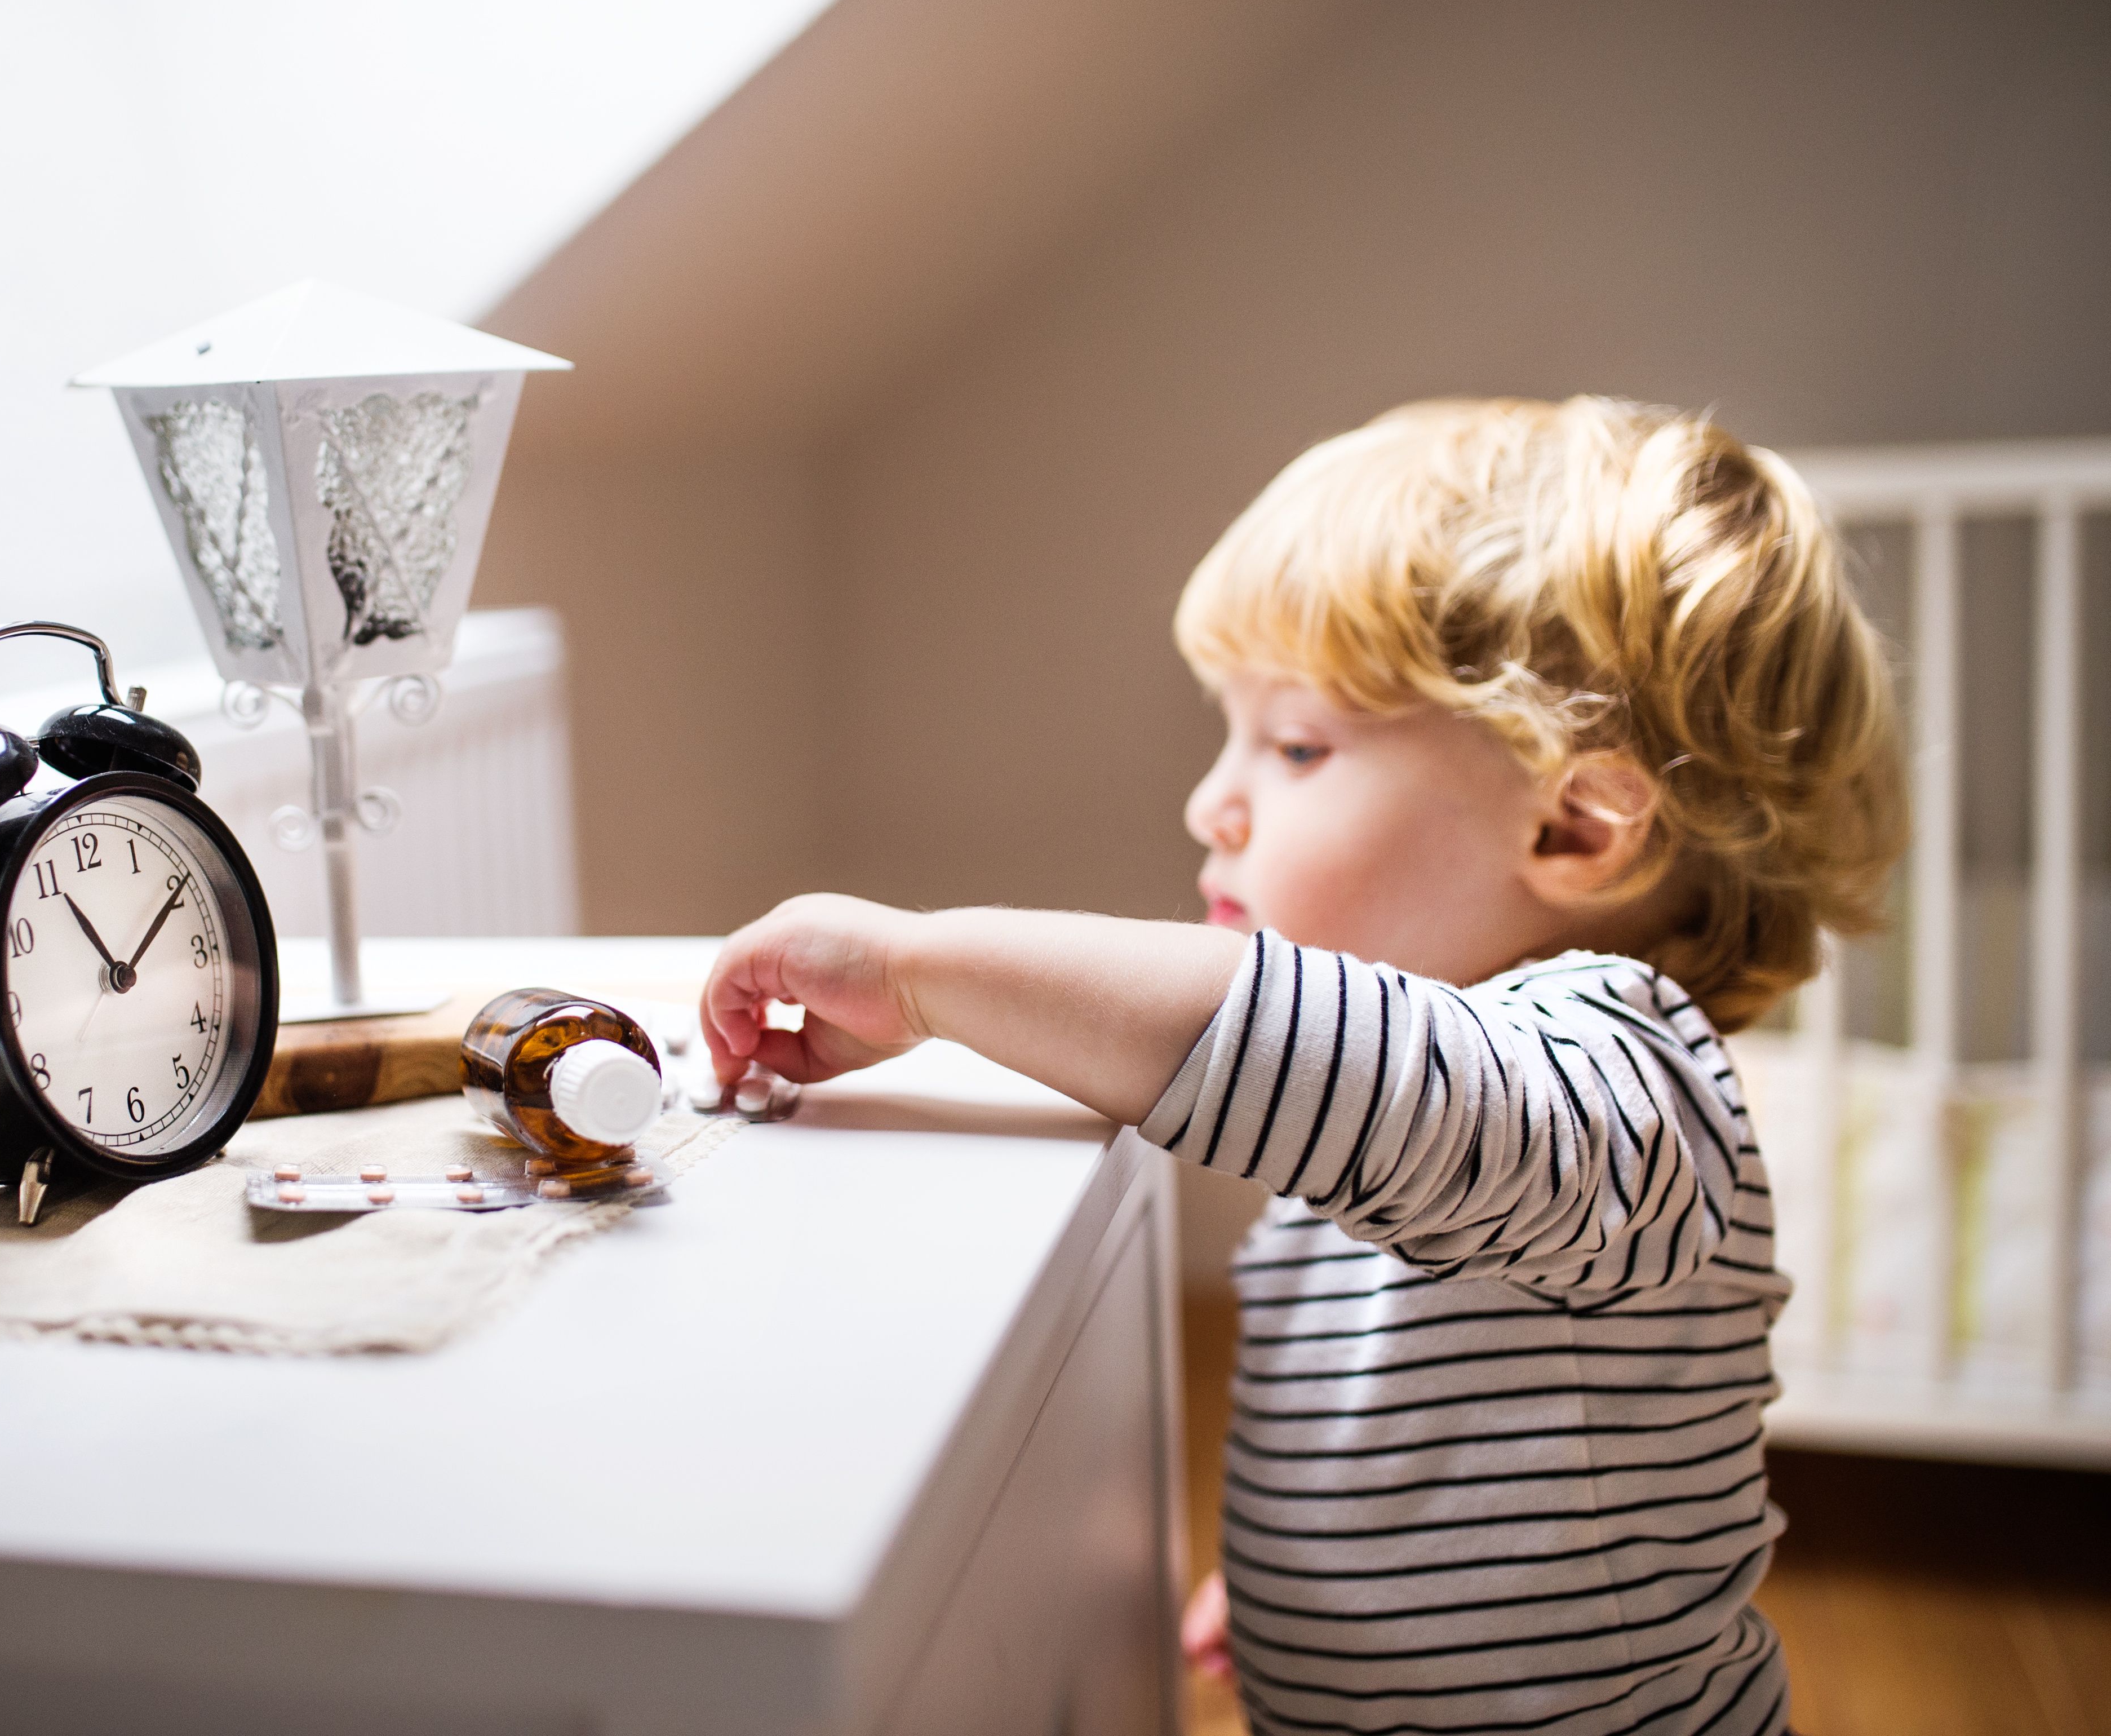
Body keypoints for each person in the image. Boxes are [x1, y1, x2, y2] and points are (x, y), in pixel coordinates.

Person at [698, 397, 1904, 1735]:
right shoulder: (1402, 1108)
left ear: (1573, 822)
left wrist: (929, 970)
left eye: (1294, 746)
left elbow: (1326, 1057)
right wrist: (1305, 1586)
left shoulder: (1628, 1077)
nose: (1210, 801)